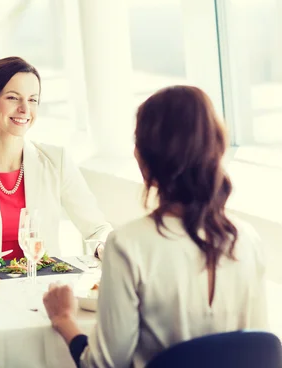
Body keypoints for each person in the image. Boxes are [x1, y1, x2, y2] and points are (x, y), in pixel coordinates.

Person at [43, 85, 268, 367]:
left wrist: (64, 320)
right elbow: (259, 347)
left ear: (142, 158)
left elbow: (103, 365)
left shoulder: (128, 245)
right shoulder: (247, 239)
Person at [0, 56, 112, 267]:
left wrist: (102, 245)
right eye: (13, 98)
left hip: (44, 289)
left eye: (32, 99)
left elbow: (98, 229)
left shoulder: (57, 162)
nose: (25, 109)